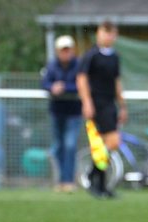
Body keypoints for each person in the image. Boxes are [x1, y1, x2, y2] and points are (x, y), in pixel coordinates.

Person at [76, 20, 127, 198]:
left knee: (106, 146)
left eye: (110, 32)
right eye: (104, 32)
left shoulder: (114, 57)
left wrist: (122, 105)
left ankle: (97, 180)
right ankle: (98, 183)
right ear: (98, 33)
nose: (107, 36)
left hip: (110, 104)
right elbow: (81, 79)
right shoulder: (91, 55)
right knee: (105, 143)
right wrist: (87, 102)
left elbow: (116, 82)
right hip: (96, 104)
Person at [41, 35, 82, 193]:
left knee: (70, 145)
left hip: (74, 113)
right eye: (63, 50)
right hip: (57, 112)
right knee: (58, 147)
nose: (66, 53)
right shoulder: (52, 66)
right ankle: (61, 180)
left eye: (68, 49)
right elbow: (44, 83)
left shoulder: (78, 65)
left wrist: (65, 87)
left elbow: (82, 84)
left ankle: (68, 181)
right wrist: (52, 87)